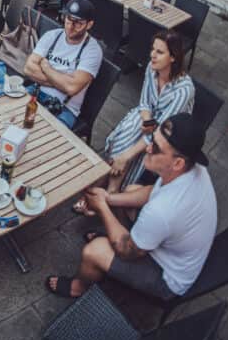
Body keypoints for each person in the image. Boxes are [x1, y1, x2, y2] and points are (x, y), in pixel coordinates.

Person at [47, 114, 217, 301]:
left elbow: (126, 251)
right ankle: (122, 235)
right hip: (171, 244)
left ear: (178, 163)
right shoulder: (188, 169)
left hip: (167, 277)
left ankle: (78, 288)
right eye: (152, 140)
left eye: (156, 148)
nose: (148, 148)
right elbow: (153, 191)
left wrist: (102, 207)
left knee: (93, 251)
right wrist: (109, 198)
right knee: (131, 190)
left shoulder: (163, 211)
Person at [73, 32, 194, 215]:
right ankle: (110, 187)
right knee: (136, 123)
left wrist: (127, 155)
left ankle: (108, 185)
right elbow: (144, 103)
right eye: (153, 49)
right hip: (151, 123)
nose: (152, 55)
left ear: (173, 57)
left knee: (130, 139)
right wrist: (147, 120)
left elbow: (162, 131)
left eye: (159, 52)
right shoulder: (151, 68)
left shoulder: (183, 91)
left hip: (170, 136)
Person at [23, 0, 103, 129]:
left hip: (64, 108)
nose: (71, 27)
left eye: (78, 23)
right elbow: (28, 69)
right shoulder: (52, 35)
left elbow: (72, 88)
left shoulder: (92, 51)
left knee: (44, 139)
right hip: (35, 92)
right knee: (8, 112)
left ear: (89, 24)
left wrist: (46, 67)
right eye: (68, 20)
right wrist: (62, 82)